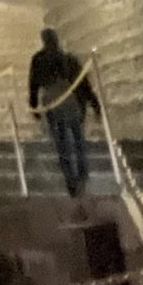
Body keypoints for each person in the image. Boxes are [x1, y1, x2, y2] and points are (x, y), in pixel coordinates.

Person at [28, 25, 98, 195]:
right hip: (68, 98)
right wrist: (95, 105)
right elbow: (83, 84)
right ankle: (82, 174)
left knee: (61, 142)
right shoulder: (67, 58)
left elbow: (34, 84)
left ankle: (71, 179)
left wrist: (34, 106)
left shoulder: (39, 59)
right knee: (77, 137)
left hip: (52, 99)